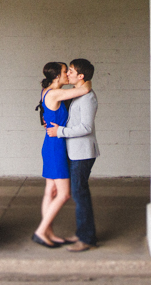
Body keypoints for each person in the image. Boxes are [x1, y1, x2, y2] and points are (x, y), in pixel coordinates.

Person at [33, 61, 91, 248]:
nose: (67, 75)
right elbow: (83, 90)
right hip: (56, 146)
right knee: (64, 194)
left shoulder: (47, 91)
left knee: (50, 190)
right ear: (57, 76)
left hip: (50, 143)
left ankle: (48, 231)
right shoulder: (55, 92)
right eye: (66, 72)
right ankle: (41, 231)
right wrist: (87, 81)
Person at [46, 58, 99, 252]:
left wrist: (60, 131)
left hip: (82, 153)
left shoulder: (88, 98)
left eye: (71, 70)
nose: (68, 73)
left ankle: (86, 238)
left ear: (80, 76)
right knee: (78, 193)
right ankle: (83, 233)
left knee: (80, 194)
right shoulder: (78, 94)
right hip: (74, 151)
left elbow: (86, 127)